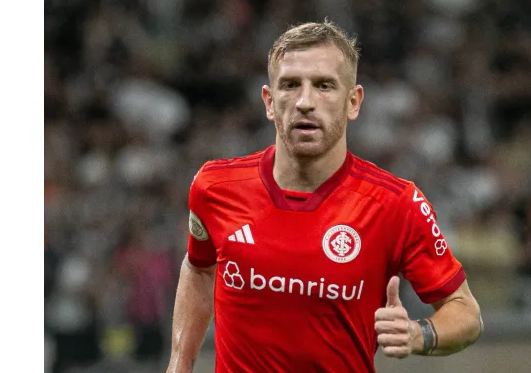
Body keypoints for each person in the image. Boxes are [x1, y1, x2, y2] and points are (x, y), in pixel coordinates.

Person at [165, 20, 483, 373]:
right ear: (269, 102)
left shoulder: (396, 204)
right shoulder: (215, 187)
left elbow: (465, 312)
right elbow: (199, 270)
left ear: (353, 102)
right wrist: (179, 363)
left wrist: (417, 334)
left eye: (324, 86)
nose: (304, 101)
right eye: (290, 85)